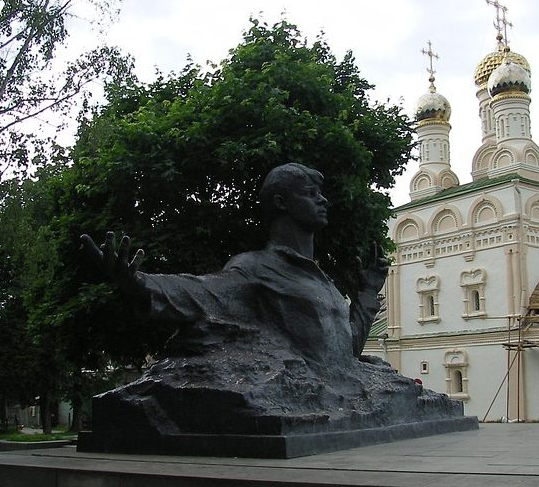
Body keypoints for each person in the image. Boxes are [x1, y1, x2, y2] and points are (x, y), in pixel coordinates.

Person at [80, 163, 465, 453]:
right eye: (311, 193)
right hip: (310, 404)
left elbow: (344, 352)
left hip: (344, 399)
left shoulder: (324, 283)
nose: (323, 200)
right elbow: (201, 291)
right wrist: (139, 283)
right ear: (281, 202)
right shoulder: (255, 270)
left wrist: (367, 291)